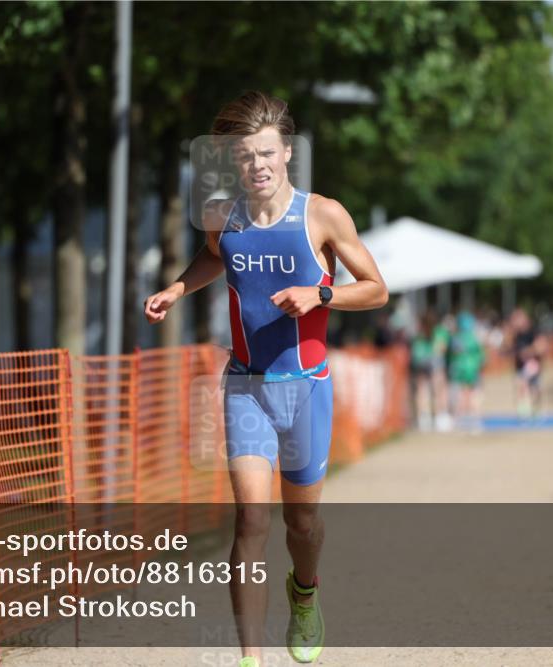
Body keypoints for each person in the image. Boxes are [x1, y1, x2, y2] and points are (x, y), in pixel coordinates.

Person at [143, 91, 388, 667]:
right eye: (246, 155)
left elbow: (376, 288)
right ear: (235, 160)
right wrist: (179, 287)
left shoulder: (322, 215)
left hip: (307, 388)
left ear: (287, 155)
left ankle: (305, 592)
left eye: (267, 154)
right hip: (245, 386)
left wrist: (320, 292)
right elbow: (215, 258)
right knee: (251, 518)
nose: (258, 165)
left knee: (301, 522)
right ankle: (251, 657)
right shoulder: (220, 217)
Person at [448, 311, 485, 433]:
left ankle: (456, 420)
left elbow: (451, 354)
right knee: (474, 394)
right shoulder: (475, 338)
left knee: (459, 394)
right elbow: (481, 356)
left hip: (459, 369)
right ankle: (476, 420)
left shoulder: (455, 338)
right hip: (473, 369)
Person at [510, 308, 547, 420]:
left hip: (533, 365)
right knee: (521, 387)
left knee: (535, 389)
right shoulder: (516, 334)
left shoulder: (534, 331)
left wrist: (528, 352)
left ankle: (536, 411)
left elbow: (542, 346)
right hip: (520, 367)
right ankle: (523, 413)